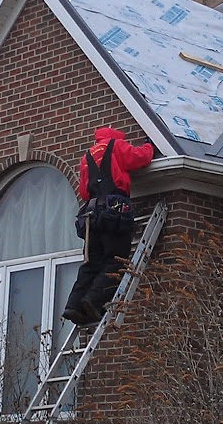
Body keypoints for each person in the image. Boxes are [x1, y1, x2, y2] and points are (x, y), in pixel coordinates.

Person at [62, 127, 156, 326]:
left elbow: (84, 192)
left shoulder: (87, 156)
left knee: (91, 264)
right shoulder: (117, 146)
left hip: (91, 216)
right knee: (117, 261)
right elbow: (139, 158)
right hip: (114, 212)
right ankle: (94, 301)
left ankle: (73, 306)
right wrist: (150, 145)